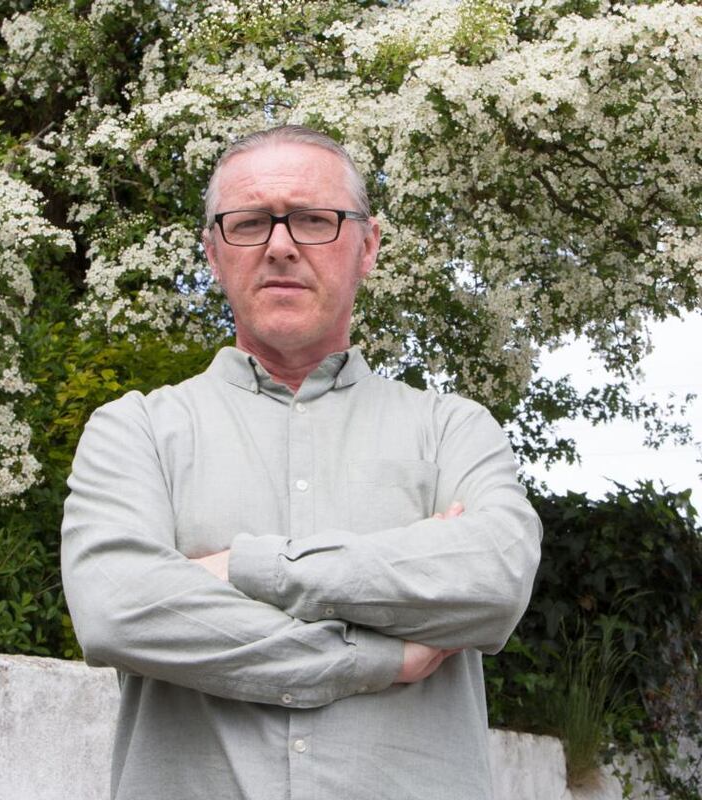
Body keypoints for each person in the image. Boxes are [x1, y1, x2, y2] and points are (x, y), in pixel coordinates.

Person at [61, 125, 542, 800]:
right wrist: (375, 656)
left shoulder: (452, 431)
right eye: (250, 222)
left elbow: (492, 585)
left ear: (367, 245)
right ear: (212, 251)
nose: (281, 245)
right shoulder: (134, 432)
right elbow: (119, 611)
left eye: (314, 220)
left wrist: (241, 568)